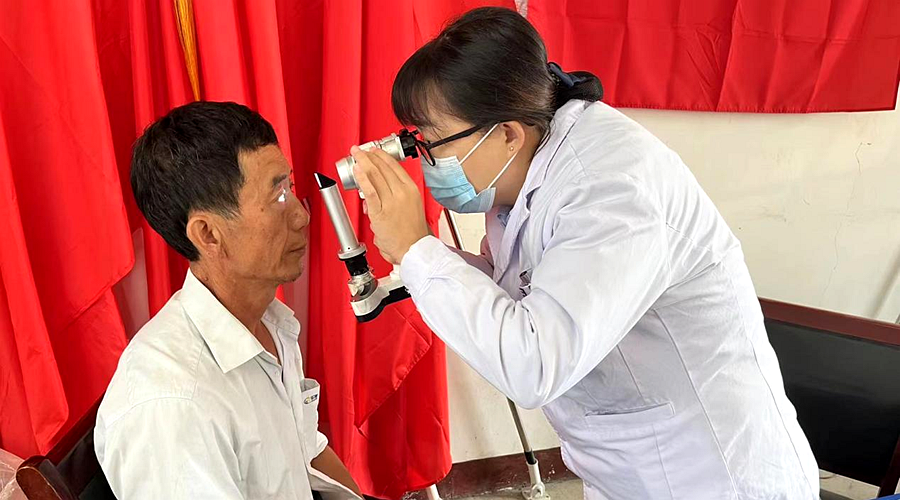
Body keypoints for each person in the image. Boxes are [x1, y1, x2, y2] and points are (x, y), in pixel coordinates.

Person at [349, 7, 819, 500]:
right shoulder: (527, 166)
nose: (426, 162)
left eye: (433, 143)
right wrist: (417, 257)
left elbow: (534, 366)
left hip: (708, 475)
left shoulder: (611, 188)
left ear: (506, 133)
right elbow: (521, 284)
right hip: (626, 468)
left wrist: (419, 251)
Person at [95, 102, 361, 500]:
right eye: (277, 197)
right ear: (208, 234)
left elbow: (307, 450)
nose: (302, 217)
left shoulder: (271, 323)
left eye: (290, 187)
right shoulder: (172, 406)